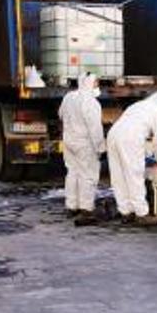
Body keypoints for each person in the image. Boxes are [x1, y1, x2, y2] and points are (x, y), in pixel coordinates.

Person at [106, 91, 157, 226]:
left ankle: (126, 211)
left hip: (113, 134)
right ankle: (142, 214)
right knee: (134, 174)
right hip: (130, 137)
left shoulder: (138, 105)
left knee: (119, 175)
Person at [57, 73, 106, 227]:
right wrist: (100, 148)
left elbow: (60, 115)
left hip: (69, 141)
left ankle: (71, 206)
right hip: (85, 144)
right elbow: (95, 129)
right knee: (88, 175)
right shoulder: (91, 103)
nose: (98, 85)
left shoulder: (69, 97)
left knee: (72, 172)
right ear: (90, 83)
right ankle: (86, 209)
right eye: (96, 82)